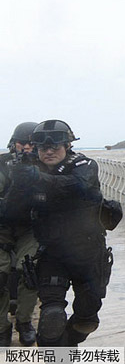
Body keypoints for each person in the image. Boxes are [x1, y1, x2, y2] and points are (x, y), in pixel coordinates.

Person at [5, 119, 112, 347]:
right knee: (52, 318)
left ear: (68, 146)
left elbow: (78, 185)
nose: (49, 151)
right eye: (43, 147)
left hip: (88, 253)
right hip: (52, 254)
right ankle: (54, 353)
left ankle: (64, 349)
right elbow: (11, 211)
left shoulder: (84, 165)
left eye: (56, 146)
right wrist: (19, 184)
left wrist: (36, 178)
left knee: (87, 319)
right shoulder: (29, 170)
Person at [0, 122, 40, 346]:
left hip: (29, 228)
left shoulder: (43, 166)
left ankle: (24, 322)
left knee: (29, 269)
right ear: (13, 143)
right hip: (2, 228)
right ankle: (1, 327)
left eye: (31, 144)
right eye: (21, 143)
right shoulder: (3, 164)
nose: (25, 147)